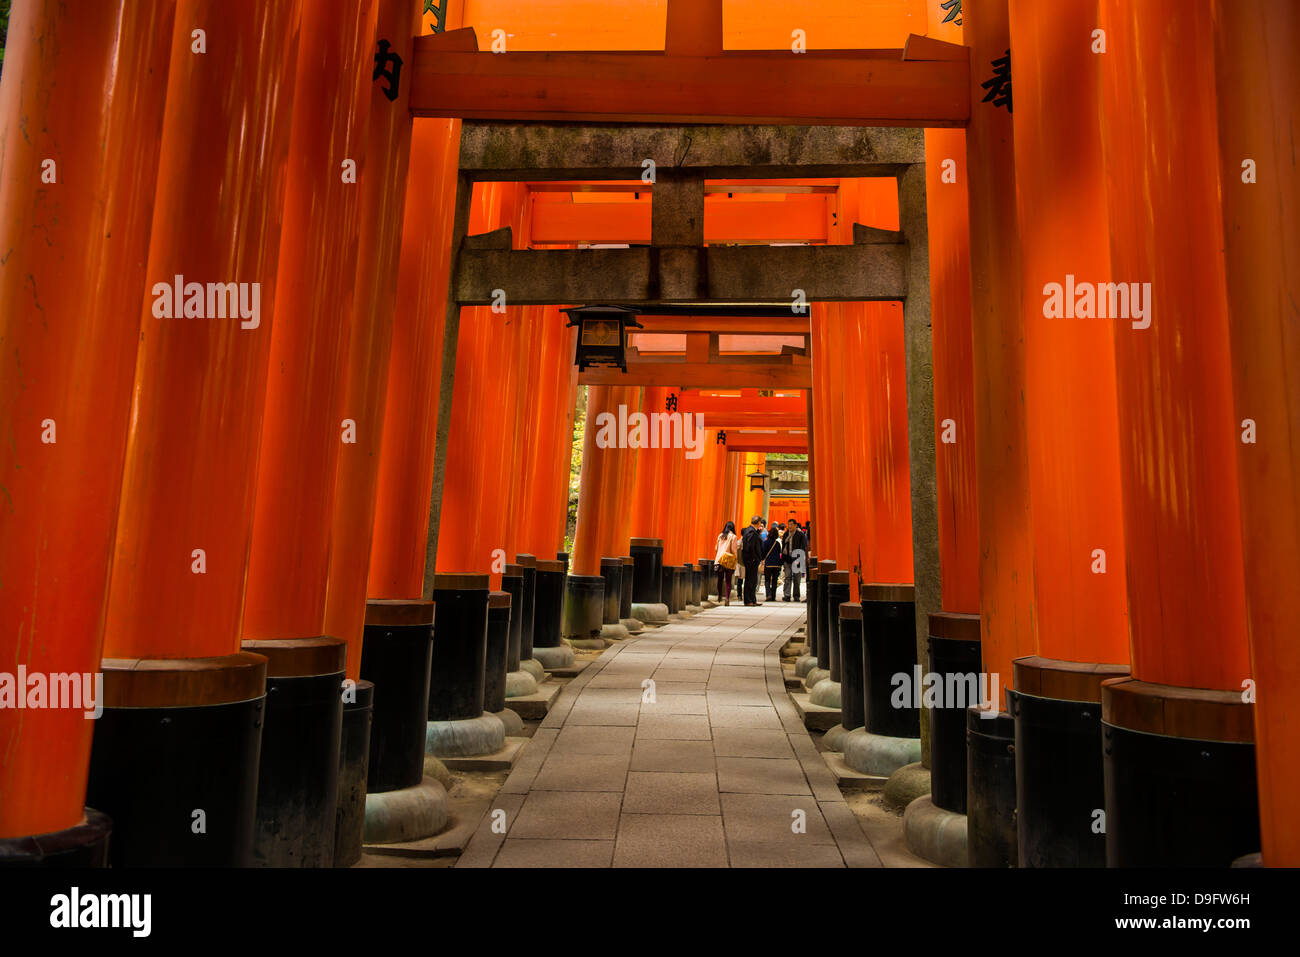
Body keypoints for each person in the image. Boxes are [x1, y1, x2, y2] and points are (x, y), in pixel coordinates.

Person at [714, 520, 740, 606]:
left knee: (720, 579)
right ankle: (727, 599)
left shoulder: (720, 535)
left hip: (719, 560)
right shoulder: (733, 537)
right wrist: (735, 560)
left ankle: (719, 596)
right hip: (728, 560)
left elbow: (716, 548)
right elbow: (734, 550)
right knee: (728, 581)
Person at [740, 515, 764, 606]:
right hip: (751, 560)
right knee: (750, 580)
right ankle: (748, 600)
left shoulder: (752, 531)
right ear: (758, 523)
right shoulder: (751, 531)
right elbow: (749, 547)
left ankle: (753, 599)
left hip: (752, 559)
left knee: (753, 580)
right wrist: (754, 558)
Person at [784, 519, 808, 602]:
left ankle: (796, 595)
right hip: (787, 559)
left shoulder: (800, 535)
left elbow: (803, 547)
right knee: (787, 577)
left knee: (797, 579)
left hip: (797, 559)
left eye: (791, 524)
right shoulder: (786, 534)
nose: (789, 526)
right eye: (788, 524)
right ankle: (787, 595)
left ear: (795, 525)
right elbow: (783, 546)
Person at [763, 522, 784, 600]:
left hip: (768, 564)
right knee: (774, 580)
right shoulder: (777, 543)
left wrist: (762, 559)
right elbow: (779, 553)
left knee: (767, 580)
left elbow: (764, 553)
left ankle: (768, 594)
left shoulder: (766, 542)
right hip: (776, 564)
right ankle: (773, 596)